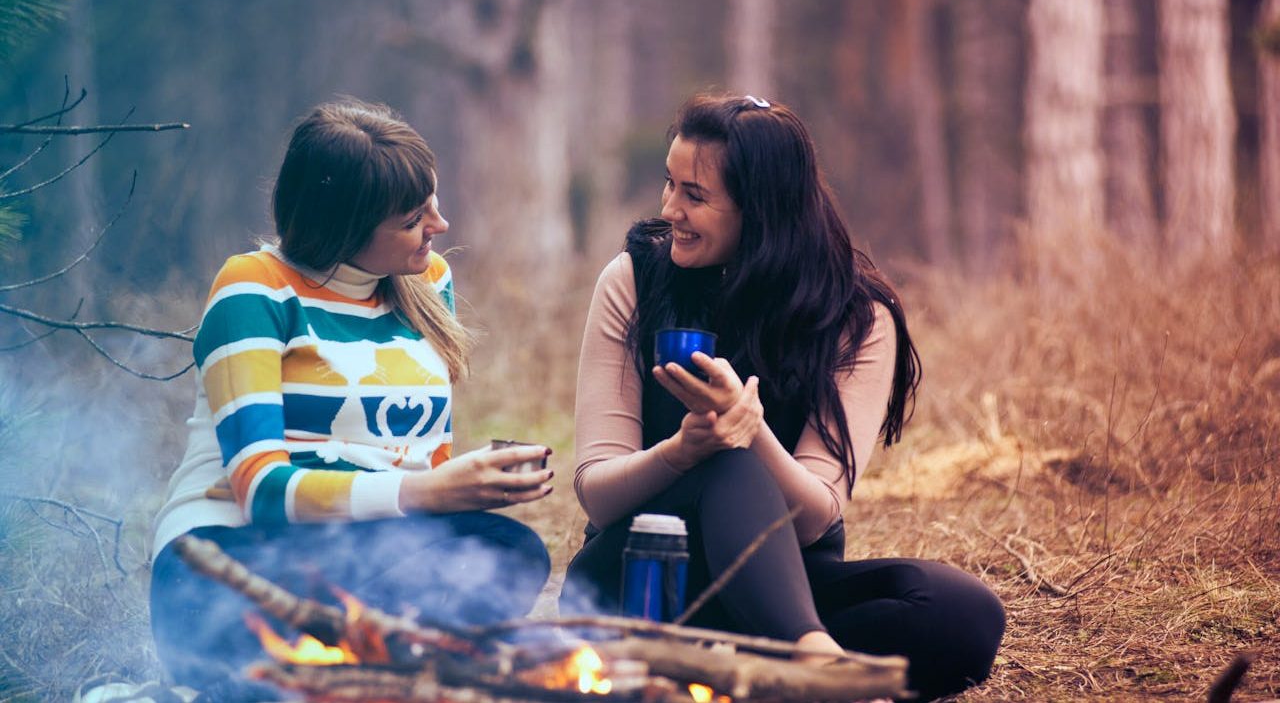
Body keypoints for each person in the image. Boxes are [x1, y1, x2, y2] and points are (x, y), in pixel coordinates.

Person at [565, 93, 1004, 701]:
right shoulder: (634, 280)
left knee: (962, 613)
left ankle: (759, 662)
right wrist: (683, 452)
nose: (670, 209)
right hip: (638, 578)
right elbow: (598, 491)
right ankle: (808, 659)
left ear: (762, 210)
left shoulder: (856, 316)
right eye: (670, 185)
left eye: (695, 195)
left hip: (781, 580)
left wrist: (752, 430)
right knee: (724, 465)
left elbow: (818, 513)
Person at [150, 100, 553, 700]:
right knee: (429, 576)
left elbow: (423, 457)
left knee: (508, 549)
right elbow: (261, 492)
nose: (439, 225)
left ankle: (367, 675)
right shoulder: (254, 288)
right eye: (415, 217)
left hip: (363, 553)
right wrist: (428, 493)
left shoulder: (427, 280)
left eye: (433, 203)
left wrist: (464, 488)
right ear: (344, 226)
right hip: (228, 563)